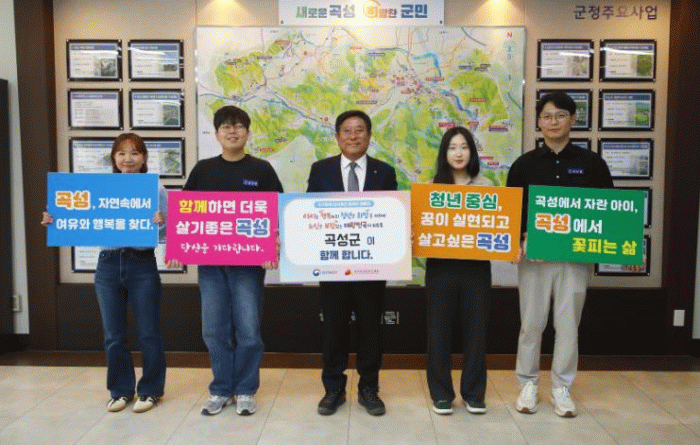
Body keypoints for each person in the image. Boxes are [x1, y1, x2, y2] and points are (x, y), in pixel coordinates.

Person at [41, 133, 167, 413]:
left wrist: (160, 223)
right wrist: (53, 219)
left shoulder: (155, 189)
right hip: (108, 265)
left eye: (134, 153)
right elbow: (74, 216)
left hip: (142, 264)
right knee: (113, 334)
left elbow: (166, 232)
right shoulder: (99, 188)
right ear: (113, 158)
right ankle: (121, 391)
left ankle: (150, 390)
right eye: (121, 153)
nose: (128, 159)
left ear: (144, 158)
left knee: (149, 332)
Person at [506, 92, 613, 417]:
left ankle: (561, 388)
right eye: (547, 116)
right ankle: (528, 384)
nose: (553, 122)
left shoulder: (592, 164)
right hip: (534, 258)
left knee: (568, 326)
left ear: (572, 119)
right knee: (531, 324)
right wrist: (521, 238)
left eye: (560, 115)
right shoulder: (524, 165)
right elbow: (512, 211)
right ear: (539, 122)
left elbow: (608, 211)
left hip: (574, 259)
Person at [182, 105, 283, 416]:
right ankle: (221, 389)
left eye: (239, 126)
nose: (232, 131)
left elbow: (277, 213)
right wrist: (177, 250)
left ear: (248, 133)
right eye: (226, 126)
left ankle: (245, 389)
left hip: (248, 265)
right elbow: (186, 213)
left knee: (249, 330)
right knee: (214, 329)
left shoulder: (262, 169)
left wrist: (271, 248)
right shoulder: (203, 170)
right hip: (211, 265)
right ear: (216, 134)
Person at [307, 110, 398, 416]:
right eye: (347, 131)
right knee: (333, 329)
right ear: (337, 137)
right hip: (333, 267)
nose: (353, 136)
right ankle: (333, 389)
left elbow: (392, 215)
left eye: (360, 130)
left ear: (369, 136)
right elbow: (309, 213)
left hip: (371, 268)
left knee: (371, 329)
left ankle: (369, 389)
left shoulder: (385, 172)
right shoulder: (320, 170)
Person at [425, 126, 492, 416]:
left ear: (472, 152)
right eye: (452, 147)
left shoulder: (486, 187)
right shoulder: (430, 188)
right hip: (441, 268)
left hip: (476, 269)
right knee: (438, 333)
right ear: (444, 153)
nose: (459, 153)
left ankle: (474, 394)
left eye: (464, 147)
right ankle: (441, 394)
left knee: (476, 333)